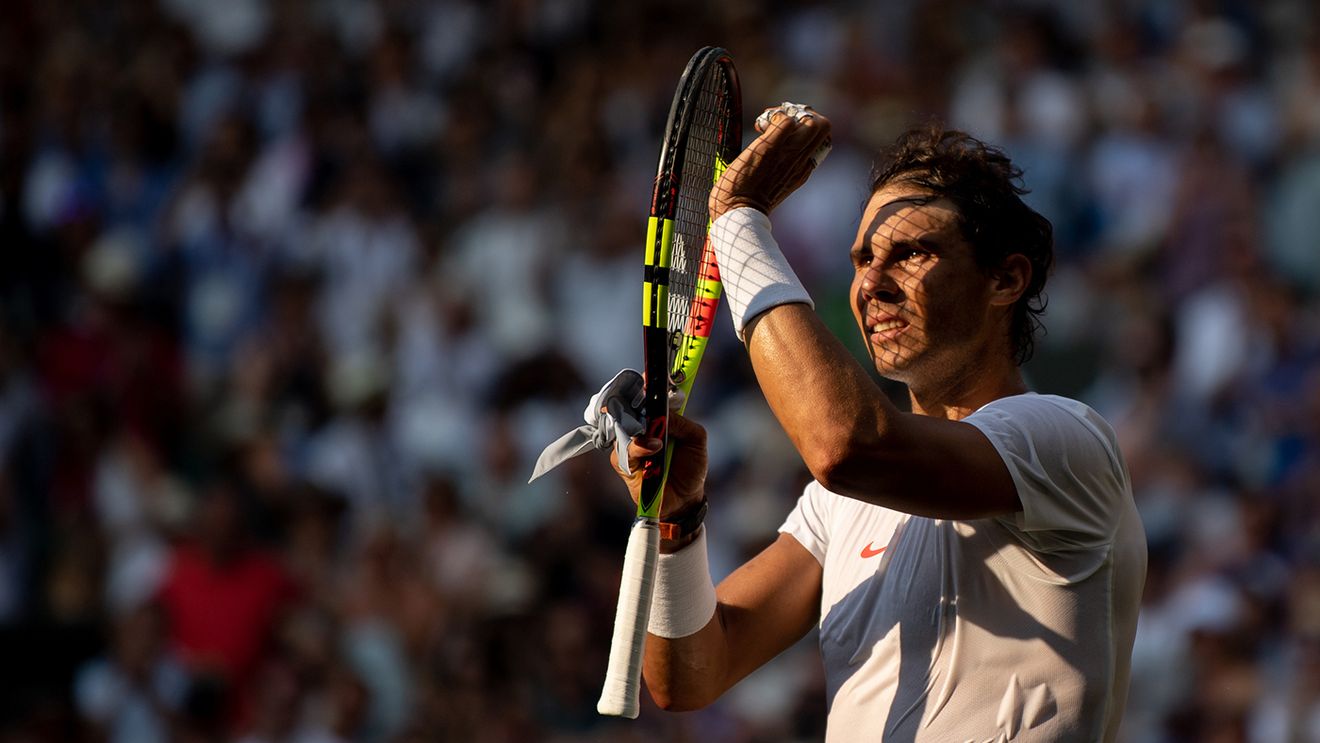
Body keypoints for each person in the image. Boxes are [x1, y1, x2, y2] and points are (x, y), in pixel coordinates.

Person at [609, 109, 1147, 742]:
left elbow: (843, 446)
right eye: (863, 259)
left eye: (912, 252)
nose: (871, 284)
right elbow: (690, 676)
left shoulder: (1063, 438)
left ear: (1005, 279)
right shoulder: (835, 508)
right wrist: (678, 520)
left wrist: (737, 222)